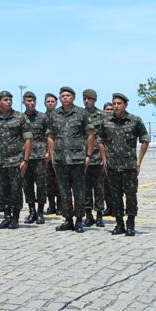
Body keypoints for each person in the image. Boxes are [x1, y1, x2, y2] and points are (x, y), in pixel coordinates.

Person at [97, 93, 150, 236]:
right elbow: (100, 141)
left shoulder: (135, 121)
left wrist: (139, 161)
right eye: (114, 103)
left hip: (129, 166)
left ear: (125, 105)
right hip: (112, 166)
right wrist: (105, 159)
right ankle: (119, 224)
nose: (116, 106)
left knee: (131, 195)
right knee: (115, 196)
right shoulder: (106, 122)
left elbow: (145, 139)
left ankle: (131, 223)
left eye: (119, 103)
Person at [47, 87, 95, 232]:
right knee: (64, 191)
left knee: (79, 191)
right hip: (60, 160)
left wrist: (88, 155)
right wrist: (52, 157)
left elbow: (90, 134)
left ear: (73, 97)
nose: (65, 97)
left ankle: (79, 220)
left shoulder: (82, 113)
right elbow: (50, 136)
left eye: (67, 95)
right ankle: (68, 220)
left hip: (78, 160)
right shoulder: (54, 114)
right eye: (62, 95)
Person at [0, 90, 32, 229]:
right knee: (2, 190)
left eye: (10, 100)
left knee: (16, 190)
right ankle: (6, 216)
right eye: (5, 100)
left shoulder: (20, 117)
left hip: (16, 160)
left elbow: (28, 139)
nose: (8, 102)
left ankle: (15, 218)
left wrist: (25, 160)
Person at [22, 91, 49, 224]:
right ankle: (31, 211)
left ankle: (40, 212)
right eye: (28, 101)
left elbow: (49, 135)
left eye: (33, 101)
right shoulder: (20, 119)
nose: (31, 103)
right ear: (24, 102)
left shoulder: (43, 117)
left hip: (40, 156)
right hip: (25, 157)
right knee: (27, 185)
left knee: (41, 185)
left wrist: (48, 152)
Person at [82, 89, 107, 227]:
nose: (87, 101)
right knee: (85, 188)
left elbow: (106, 137)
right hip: (82, 158)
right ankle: (88, 215)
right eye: (85, 98)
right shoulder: (79, 115)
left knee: (99, 188)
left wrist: (105, 157)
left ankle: (99, 215)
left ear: (95, 100)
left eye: (89, 99)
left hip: (98, 157)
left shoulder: (102, 116)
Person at [43, 93, 59, 214]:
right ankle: (51, 205)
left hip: (59, 153)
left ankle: (60, 205)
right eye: (48, 101)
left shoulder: (60, 116)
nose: (50, 103)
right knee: (49, 182)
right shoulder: (42, 118)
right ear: (44, 103)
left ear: (56, 103)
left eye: (52, 101)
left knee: (60, 181)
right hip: (45, 155)